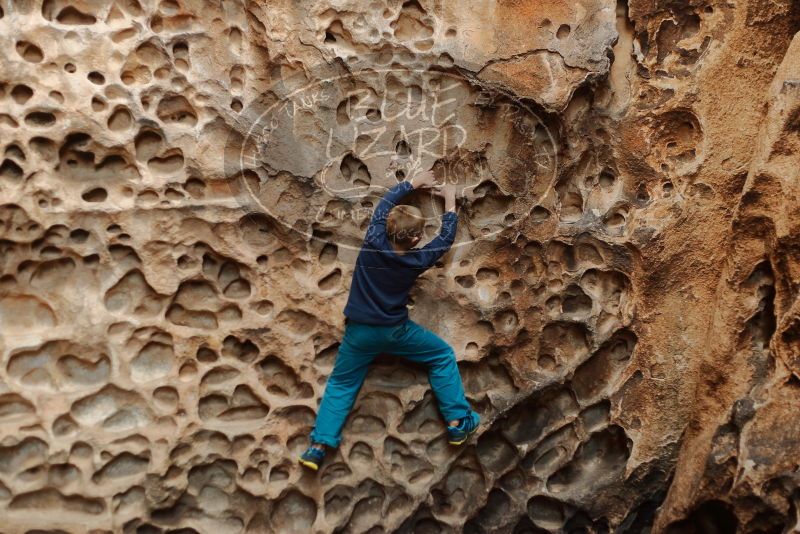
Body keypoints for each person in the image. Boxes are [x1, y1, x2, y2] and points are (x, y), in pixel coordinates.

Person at [298, 169, 480, 471]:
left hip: (359, 333)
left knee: (342, 383)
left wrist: (412, 183)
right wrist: (449, 199)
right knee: (441, 355)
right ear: (415, 238)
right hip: (395, 332)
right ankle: (458, 421)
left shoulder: (372, 241)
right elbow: (445, 239)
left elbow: (384, 205)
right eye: (418, 234)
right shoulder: (416, 260)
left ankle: (318, 446)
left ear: (387, 228)